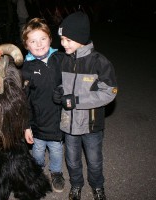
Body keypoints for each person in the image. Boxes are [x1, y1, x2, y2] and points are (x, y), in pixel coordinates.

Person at [55, 11, 118, 200]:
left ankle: (98, 186)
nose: (63, 44)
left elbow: (109, 92)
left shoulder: (99, 62)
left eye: (67, 39)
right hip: (69, 124)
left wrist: (78, 101)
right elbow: (61, 83)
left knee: (94, 161)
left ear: (80, 38)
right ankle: (76, 185)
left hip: (91, 126)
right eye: (62, 39)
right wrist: (58, 91)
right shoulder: (64, 60)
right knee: (72, 160)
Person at [21, 18, 67, 193]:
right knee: (38, 151)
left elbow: (72, 83)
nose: (39, 44)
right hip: (38, 122)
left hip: (57, 120)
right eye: (33, 41)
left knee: (56, 149)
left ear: (50, 39)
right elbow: (24, 100)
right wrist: (26, 126)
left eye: (43, 39)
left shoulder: (61, 59)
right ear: (26, 45)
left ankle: (56, 172)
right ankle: (37, 171)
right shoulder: (26, 68)